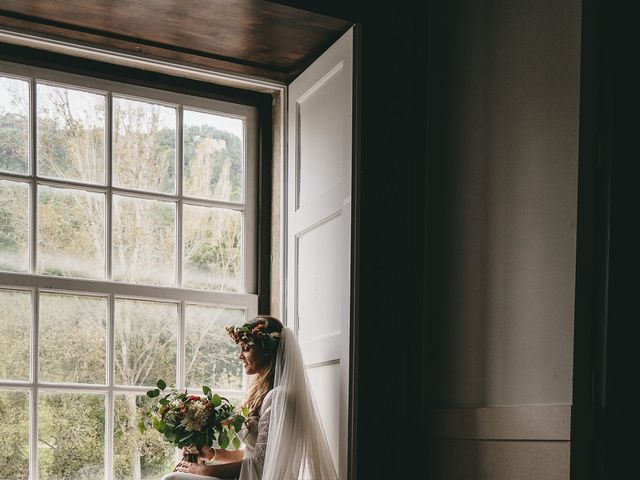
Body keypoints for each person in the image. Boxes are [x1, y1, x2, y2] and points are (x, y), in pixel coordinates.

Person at [161, 315, 337, 480]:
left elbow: (260, 467)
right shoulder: (263, 392)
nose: (240, 355)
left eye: (246, 348)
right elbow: (252, 453)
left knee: (172, 479)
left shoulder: (279, 397)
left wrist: (204, 470)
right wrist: (214, 454)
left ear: (266, 351)